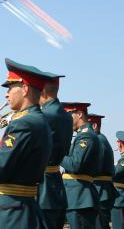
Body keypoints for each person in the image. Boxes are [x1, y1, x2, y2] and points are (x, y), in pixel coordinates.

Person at [0, 59, 52, 228]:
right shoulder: (37, 120)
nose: (7, 94)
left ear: (25, 89)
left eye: (11, 87)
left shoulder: (23, 123)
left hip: (11, 213)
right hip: (20, 208)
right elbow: (6, 156)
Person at [37, 73, 73, 229]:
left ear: (42, 91)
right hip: (56, 185)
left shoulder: (43, 115)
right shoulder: (66, 116)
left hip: (42, 189)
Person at [60, 102, 102, 229]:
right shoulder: (81, 135)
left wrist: (56, 153)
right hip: (76, 196)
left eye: (69, 115)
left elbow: (75, 165)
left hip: (80, 198)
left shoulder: (86, 136)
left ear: (79, 114)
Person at [88, 114, 117, 229]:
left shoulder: (98, 140)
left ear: (94, 126)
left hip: (100, 188)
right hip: (102, 188)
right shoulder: (102, 139)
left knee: (99, 224)